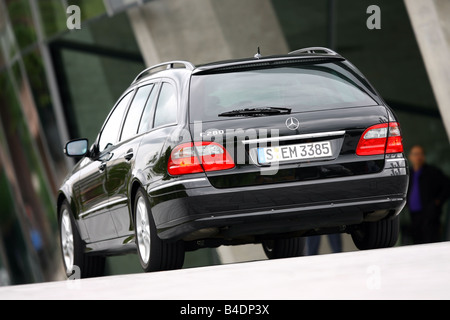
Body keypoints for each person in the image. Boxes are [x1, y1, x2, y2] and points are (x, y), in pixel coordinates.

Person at [407, 145, 450, 244]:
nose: (418, 157)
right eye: (416, 154)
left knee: (431, 242)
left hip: (430, 215)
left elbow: (447, 185)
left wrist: (437, 201)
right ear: (410, 157)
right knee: (417, 242)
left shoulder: (432, 172)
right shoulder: (409, 174)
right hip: (413, 216)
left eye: (421, 154)